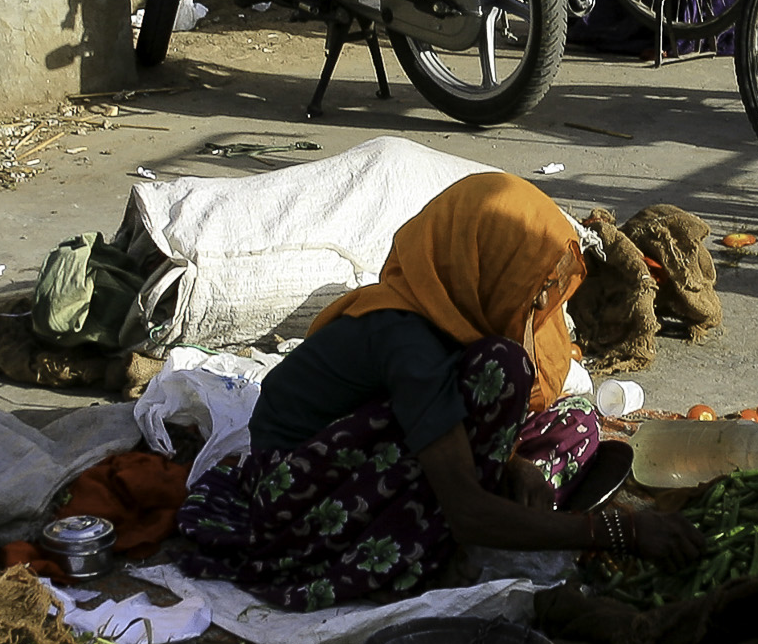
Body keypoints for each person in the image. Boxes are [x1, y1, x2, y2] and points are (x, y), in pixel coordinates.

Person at [179, 172, 702, 609]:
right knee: (504, 372)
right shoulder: (408, 343)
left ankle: (512, 507)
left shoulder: (444, 318)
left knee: (576, 420)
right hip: (298, 499)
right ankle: (459, 532)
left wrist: (515, 462)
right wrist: (617, 531)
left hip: (384, 447)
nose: (540, 301)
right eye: (532, 283)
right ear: (481, 262)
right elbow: (466, 514)